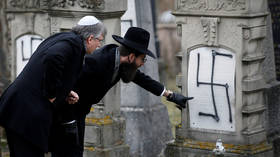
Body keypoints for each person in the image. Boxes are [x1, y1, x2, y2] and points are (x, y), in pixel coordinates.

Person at [49, 27, 193, 157]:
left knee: (75, 153)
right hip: (64, 114)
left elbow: (142, 79)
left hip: (78, 112)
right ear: (131, 57)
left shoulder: (120, 62)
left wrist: (170, 95)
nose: (143, 63)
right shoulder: (97, 62)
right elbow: (66, 85)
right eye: (143, 59)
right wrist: (68, 121)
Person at [0, 15, 106, 157]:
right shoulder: (74, 44)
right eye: (100, 40)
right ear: (90, 38)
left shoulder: (63, 38)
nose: (99, 45)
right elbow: (53, 57)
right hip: (26, 114)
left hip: (18, 108)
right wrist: (52, 94)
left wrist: (65, 91)